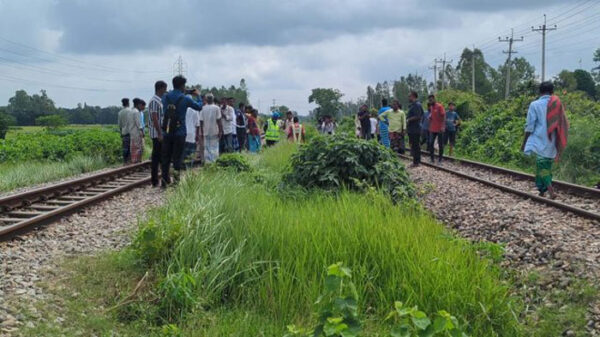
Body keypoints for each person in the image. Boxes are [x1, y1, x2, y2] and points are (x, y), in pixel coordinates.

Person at [521, 82, 568, 199]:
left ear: (540, 92)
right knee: (543, 165)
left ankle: (550, 190)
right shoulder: (557, 104)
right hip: (553, 140)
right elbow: (562, 122)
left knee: (542, 166)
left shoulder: (534, 105)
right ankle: (542, 190)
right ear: (552, 92)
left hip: (539, 140)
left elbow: (530, 126)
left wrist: (524, 142)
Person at [161, 76, 202, 187]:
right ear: (182, 86)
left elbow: (169, 98)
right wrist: (198, 96)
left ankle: (164, 181)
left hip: (167, 131)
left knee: (166, 157)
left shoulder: (165, 97)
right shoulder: (185, 99)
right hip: (180, 132)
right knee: (177, 158)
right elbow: (199, 107)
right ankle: (176, 181)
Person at [148, 81, 167, 187]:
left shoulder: (159, 101)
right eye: (164, 89)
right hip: (156, 133)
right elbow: (155, 118)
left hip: (159, 132)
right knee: (156, 157)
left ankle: (159, 179)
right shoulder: (154, 101)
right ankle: (155, 180)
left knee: (159, 156)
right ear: (160, 88)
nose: (165, 91)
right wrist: (160, 133)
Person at [199, 93, 223, 163]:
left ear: (206, 99)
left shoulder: (203, 108)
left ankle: (208, 163)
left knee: (207, 148)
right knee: (214, 148)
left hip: (206, 131)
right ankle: (214, 162)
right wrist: (220, 131)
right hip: (215, 131)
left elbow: (201, 121)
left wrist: (202, 131)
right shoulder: (217, 108)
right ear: (213, 99)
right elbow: (219, 121)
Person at [182, 94, 201, 167]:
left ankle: (182, 165)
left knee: (183, 152)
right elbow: (197, 124)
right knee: (191, 152)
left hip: (183, 133)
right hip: (192, 133)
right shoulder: (195, 110)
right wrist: (197, 134)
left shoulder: (182, 109)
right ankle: (189, 166)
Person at [406, 91, 423, 166]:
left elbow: (418, 116)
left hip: (415, 128)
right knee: (414, 145)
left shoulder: (417, 105)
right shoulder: (413, 105)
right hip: (412, 128)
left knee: (416, 145)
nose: (408, 98)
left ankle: (416, 162)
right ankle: (415, 161)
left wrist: (409, 120)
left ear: (413, 96)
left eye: (409, 96)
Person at [427, 95, 445, 163]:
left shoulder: (440, 106)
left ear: (434, 99)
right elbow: (432, 114)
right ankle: (432, 159)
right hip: (433, 128)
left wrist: (443, 126)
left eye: (431, 100)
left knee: (440, 144)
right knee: (431, 143)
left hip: (440, 128)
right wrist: (430, 117)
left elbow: (443, 116)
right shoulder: (431, 107)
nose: (430, 101)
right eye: (429, 100)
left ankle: (440, 159)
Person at [129, 98, 145, 164]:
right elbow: (139, 124)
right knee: (138, 148)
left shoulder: (131, 111)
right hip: (136, 132)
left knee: (133, 148)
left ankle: (133, 161)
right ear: (138, 104)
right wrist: (142, 132)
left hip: (132, 132)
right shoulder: (136, 112)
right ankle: (137, 161)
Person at [117, 98, 131, 164]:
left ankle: (125, 161)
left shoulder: (120, 113)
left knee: (125, 148)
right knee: (130, 148)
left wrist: (121, 132)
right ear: (128, 103)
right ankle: (129, 161)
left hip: (124, 132)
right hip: (131, 132)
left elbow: (119, 125)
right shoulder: (131, 111)